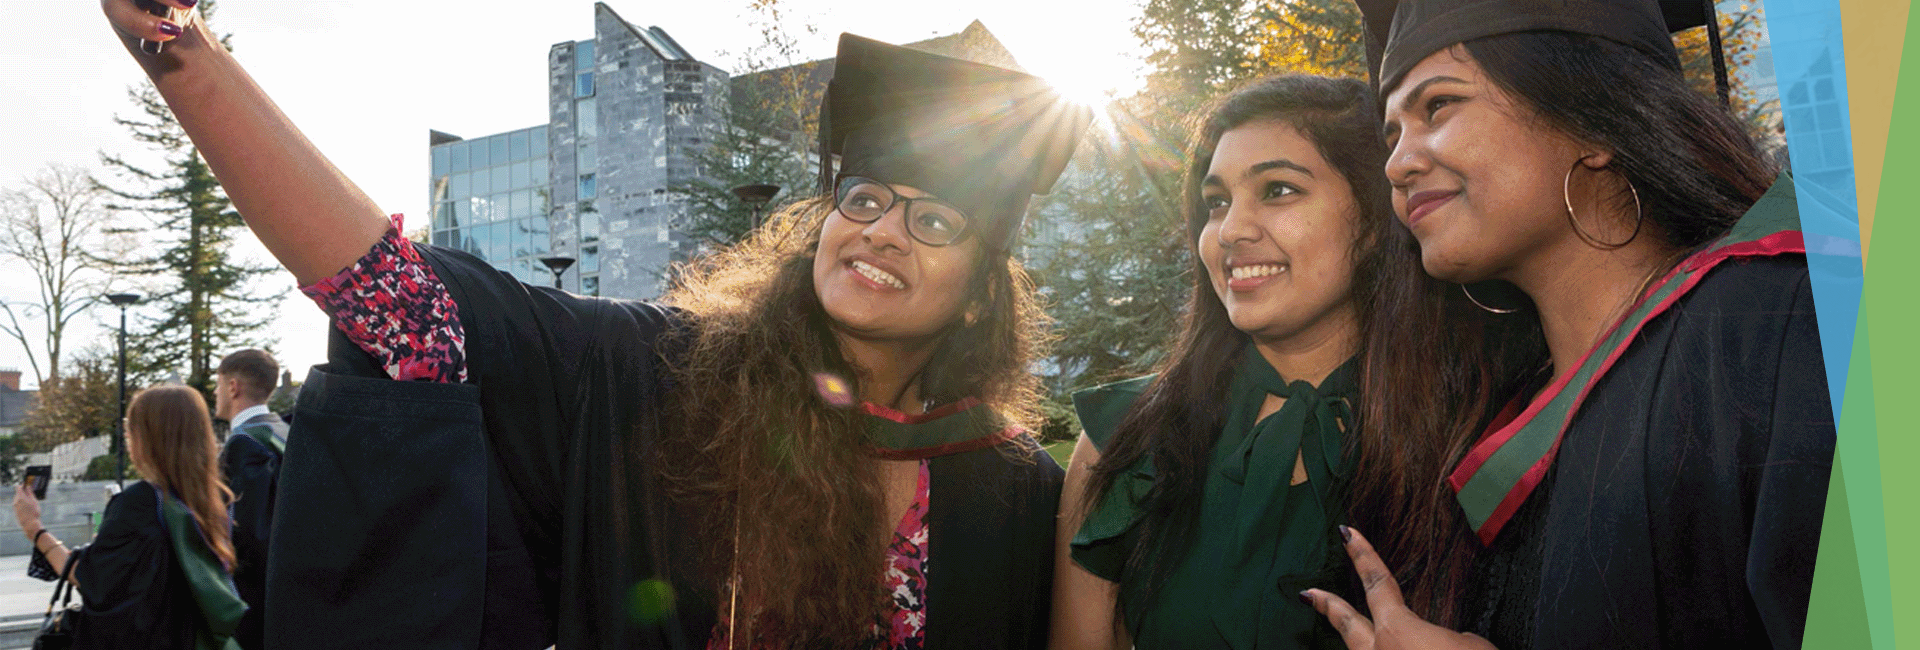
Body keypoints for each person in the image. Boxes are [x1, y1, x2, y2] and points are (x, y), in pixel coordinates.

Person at [99, 3, 1091, 647]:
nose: (882, 231)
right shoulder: (660, 382)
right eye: (866, 196)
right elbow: (399, 298)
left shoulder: (1010, 487)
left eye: (936, 218)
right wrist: (185, 56)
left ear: (978, 286)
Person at [1299, 1, 1837, 649]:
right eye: (1391, 135)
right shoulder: (1505, 421)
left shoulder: (1782, 323)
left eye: (1437, 107)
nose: (1397, 163)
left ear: (1592, 117)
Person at [1049, 75, 1525, 650]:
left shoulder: (1483, 434)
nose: (1230, 231)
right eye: (1216, 202)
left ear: (1375, 221)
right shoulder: (1122, 438)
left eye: (1278, 190)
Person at [12, 385, 247, 649]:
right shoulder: (215, 500)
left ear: (147, 438)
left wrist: (33, 527)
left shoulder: (140, 503)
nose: (127, 438)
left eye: (129, 430)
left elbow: (90, 579)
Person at [213, 348, 285, 650]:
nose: (216, 393)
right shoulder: (283, 430)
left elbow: (250, 534)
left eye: (218, 385)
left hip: (254, 605)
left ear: (233, 387)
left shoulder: (245, 443)